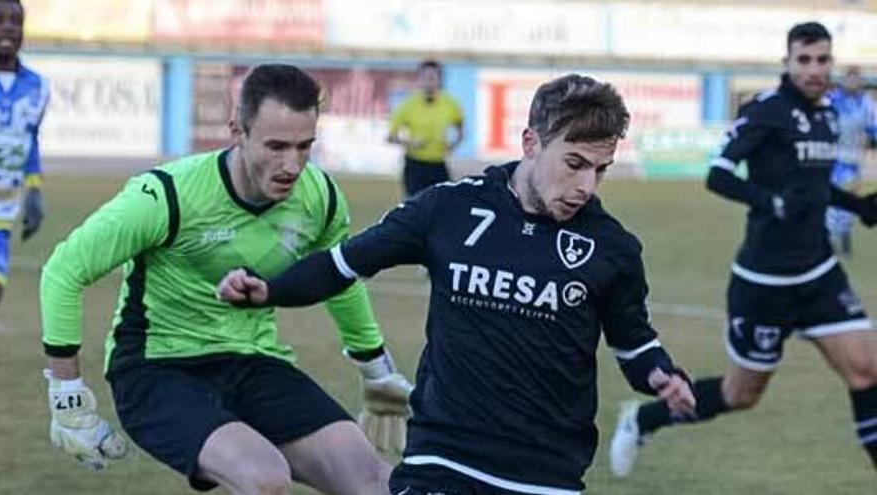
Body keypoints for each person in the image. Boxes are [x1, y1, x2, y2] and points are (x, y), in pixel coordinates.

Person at [217, 74, 696, 495]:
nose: (586, 186)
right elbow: (344, 263)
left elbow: (633, 341)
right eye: (574, 163)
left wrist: (660, 375)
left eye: (600, 170)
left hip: (547, 469)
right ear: (531, 143)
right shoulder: (447, 209)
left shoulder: (612, 248)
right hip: (442, 458)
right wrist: (271, 289)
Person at [40, 64, 412, 495]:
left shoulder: (320, 198)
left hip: (255, 362)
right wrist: (65, 393)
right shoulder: (167, 195)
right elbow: (64, 271)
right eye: (276, 146)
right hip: (158, 368)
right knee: (264, 476)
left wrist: (376, 370)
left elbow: (339, 279)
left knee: (376, 482)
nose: (292, 165)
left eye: (304, 146)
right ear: (237, 129)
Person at [610, 22, 877, 479]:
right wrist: (769, 201)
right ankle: (644, 419)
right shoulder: (766, 112)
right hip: (765, 283)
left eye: (822, 59)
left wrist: (858, 205)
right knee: (741, 395)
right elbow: (719, 174)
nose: (815, 69)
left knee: (867, 371)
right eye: (805, 60)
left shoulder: (829, 115)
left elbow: (812, 190)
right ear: (787, 63)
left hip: (818, 275)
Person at [0, 0, 48, 305]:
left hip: (3, 205)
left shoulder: (39, 86)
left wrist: (34, 189)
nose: (7, 27)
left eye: (15, 21)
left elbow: (31, 140)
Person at [388, 59, 464, 197]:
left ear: (439, 80)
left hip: (438, 164)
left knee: (446, 203)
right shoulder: (408, 105)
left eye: (433, 77)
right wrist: (409, 142)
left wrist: (453, 145)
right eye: (425, 78)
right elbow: (390, 137)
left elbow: (460, 130)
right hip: (415, 164)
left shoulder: (450, 104)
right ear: (419, 79)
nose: (429, 82)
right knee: (414, 208)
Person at [826, 66, 877, 257]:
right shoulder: (832, 100)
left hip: (853, 161)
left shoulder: (867, 104)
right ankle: (829, 241)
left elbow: (874, 128)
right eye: (850, 78)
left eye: (857, 79)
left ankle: (843, 234)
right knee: (829, 201)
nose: (854, 82)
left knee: (847, 202)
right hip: (831, 158)